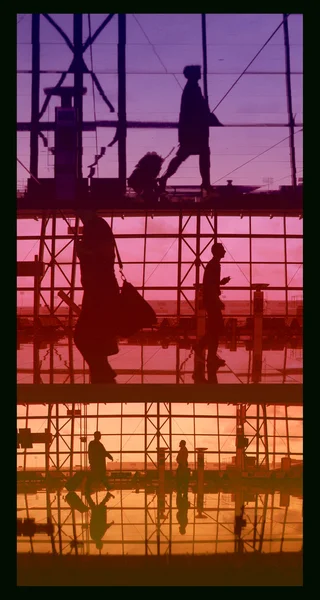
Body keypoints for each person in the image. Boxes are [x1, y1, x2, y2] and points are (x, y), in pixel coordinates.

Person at [158, 65, 222, 197]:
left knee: (190, 155)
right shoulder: (192, 89)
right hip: (194, 130)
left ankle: (204, 182)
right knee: (191, 155)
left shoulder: (192, 88)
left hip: (193, 130)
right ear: (193, 74)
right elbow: (198, 109)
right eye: (198, 72)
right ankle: (204, 182)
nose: (200, 74)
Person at [73, 209, 120, 383]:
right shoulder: (98, 227)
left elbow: (102, 256)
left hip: (99, 291)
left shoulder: (96, 227)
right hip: (99, 290)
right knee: (94, 334)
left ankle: (101, 369)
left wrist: (83, 252)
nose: (78, 215)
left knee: (83, 336)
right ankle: (102, 370)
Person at [194, 243, 230, 382]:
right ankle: (205, 350)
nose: (225, 251)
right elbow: (210, 286)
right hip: (212, 300)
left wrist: (221, 282)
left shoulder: (213, 264)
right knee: (216, 327)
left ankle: (205, 349)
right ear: (217, 251)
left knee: (214, 327)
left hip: (211, 300)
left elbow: (211, 283)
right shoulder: (215, 264)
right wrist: (216, 300)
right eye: (223, 249)